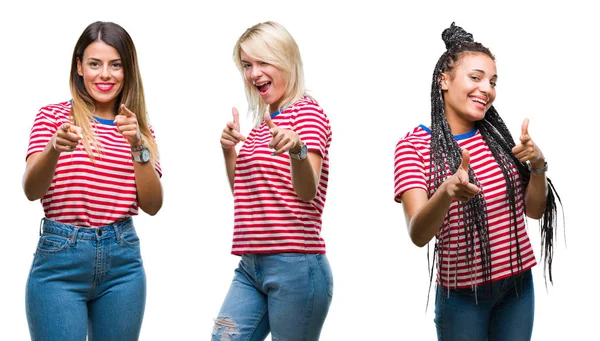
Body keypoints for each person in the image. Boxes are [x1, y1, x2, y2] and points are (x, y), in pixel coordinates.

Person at [393, 23, 561, 341]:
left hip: (518, 288)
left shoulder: (498, 139)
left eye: (493, 81)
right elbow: (418, 234)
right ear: (443, 80)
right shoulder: (414, 147)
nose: (487, 89)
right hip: (462, 298)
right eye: (476, 77)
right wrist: (445, 192)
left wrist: (537, 166)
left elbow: (535, 212)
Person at [23, 21, 162, 341]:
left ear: (128, 70)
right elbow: (31, 190)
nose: (105, 74)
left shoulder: (137, 129)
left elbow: (153, 205)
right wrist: (54, 149)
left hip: (123, 266)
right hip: (60, 262)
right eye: (94, 63)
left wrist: (138, 145)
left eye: (116, 65)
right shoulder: (53, 117)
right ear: (79, 67)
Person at [214, 21, 333, 341]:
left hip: (296, 265)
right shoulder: (262, 125)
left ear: (286, 60)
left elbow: (307, 192)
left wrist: (297, 148)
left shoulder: (306, 114)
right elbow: (244, 194)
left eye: (263, 62)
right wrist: (229, 151)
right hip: (251, 265)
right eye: (246, 65)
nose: (254, 73)